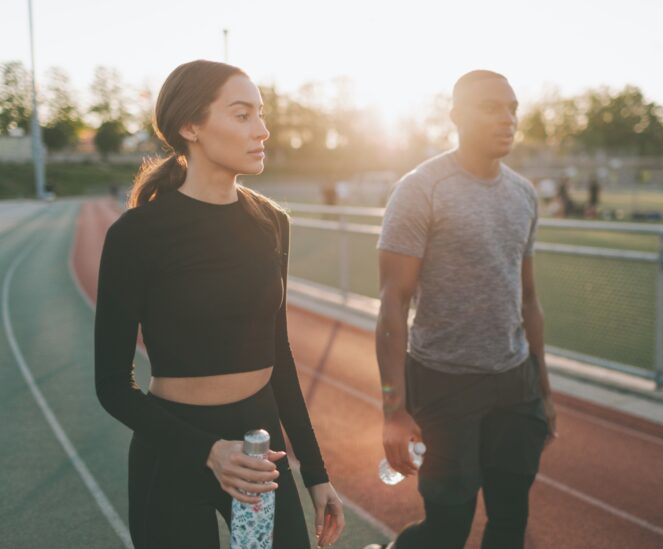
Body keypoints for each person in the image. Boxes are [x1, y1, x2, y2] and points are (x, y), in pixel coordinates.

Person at [94, 60, 344, 549]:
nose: (263, 130)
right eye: (242, 115)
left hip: (257, 454)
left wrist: (315, 473)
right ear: (191, 126)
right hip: (172, 452)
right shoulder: (137, 235)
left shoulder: (271, 222)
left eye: (261, 114)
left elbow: (279, 355)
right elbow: (112, 386)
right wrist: (208, 452)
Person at [368, 70, 557, 549]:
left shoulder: (523, 194)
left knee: (510, 520)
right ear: (456, 115)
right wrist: (393, 409)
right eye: (492, 107)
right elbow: (393, 301)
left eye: (513, 108)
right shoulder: (422, 188)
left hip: (515, 384)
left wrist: (543, 388)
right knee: (447, 529)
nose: (508, 118)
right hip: (443, 382)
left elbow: (529, 297)